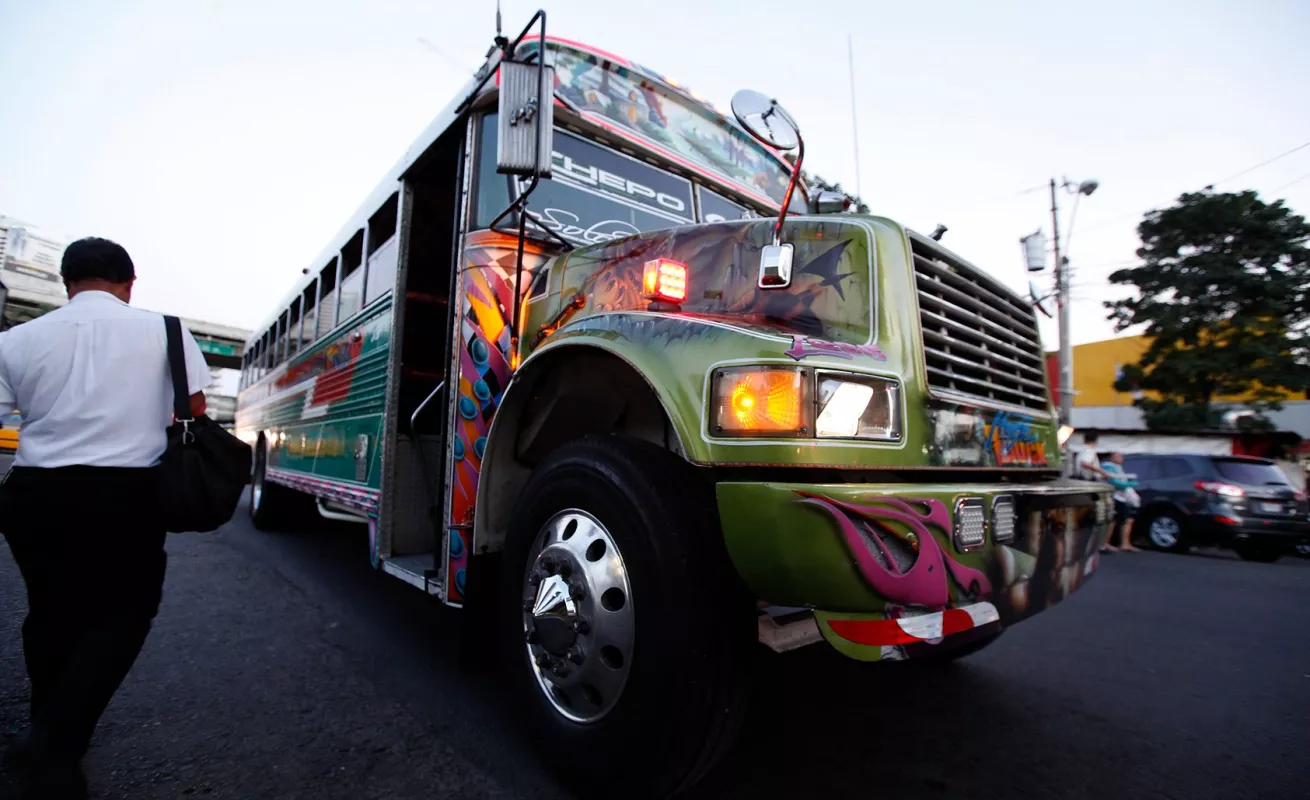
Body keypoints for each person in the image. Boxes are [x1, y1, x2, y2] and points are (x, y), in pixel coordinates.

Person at [0, 238, 211, 799]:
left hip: (34, 493)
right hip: (127, 495)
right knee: (123, 614)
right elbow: (192, 409)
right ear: (129, 283)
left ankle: (53, 751)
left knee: (50, 613)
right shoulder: (165, 330)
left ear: (65, 282)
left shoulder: (16, 339)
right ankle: (52, 737)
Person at [1100, 452, 1141, 553]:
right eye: (1118, 456)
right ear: (1111, 458)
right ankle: (1105, 543)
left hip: (1121, 497)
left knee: (1125, 519)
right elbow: (1113, 481)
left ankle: (1124, 543)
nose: (1121, 458)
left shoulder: (1117, 467)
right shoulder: (1107, 467)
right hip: (1114, 496)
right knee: (1112, 520)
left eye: (1121, 456)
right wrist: (1128, 484)